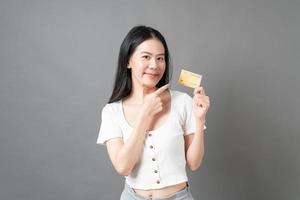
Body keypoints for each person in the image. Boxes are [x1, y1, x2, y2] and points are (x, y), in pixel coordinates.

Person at [97, 25, 210, 200]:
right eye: (146, 57)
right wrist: (145, 115)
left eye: (160, 58)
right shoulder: (112, 112)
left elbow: (194, 164)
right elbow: (123, 167)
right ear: (128, 61)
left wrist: (200, 119)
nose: (154, 65)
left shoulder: (182, 102)